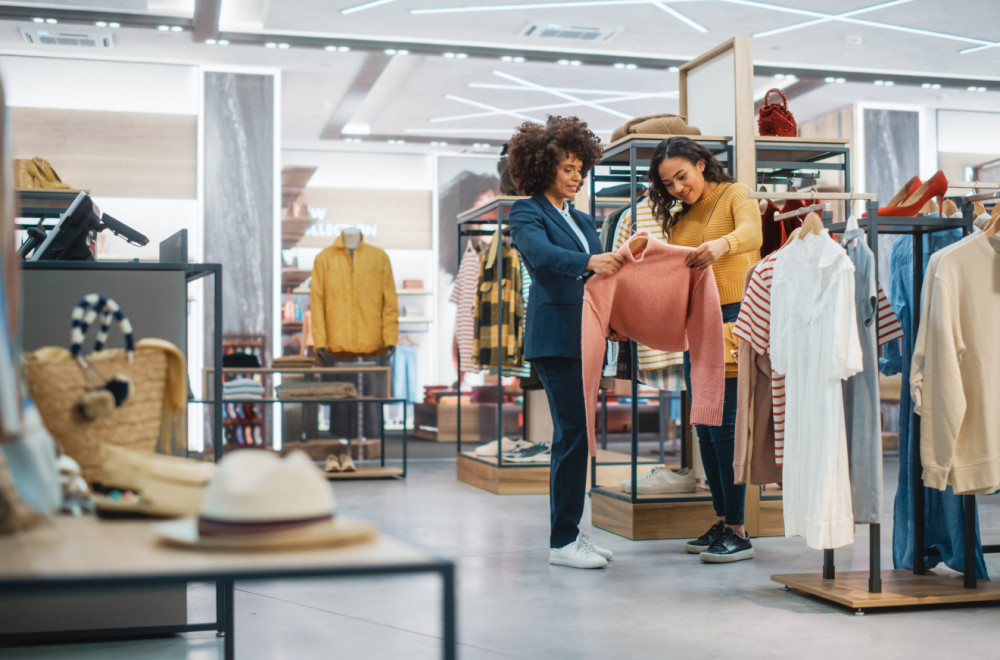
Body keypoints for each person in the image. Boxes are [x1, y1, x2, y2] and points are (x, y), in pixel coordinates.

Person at [507, 115, 624, 569]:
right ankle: (562, 541)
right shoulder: (527, 211)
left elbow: (598, 279)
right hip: (556, 337)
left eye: (580, 168)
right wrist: (591, 260)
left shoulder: (578, 217)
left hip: (588, 334)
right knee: (573, 434)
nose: (576, 177)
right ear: (542, 168)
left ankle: (573, 531)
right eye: (567, 168)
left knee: (580, 434)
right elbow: (541, 255)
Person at [646, 136, 762, 563]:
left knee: (726, 425)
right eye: (668, 183)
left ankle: (738, 529)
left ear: (700, 164)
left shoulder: (734, 194)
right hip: (697, 322)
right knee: (704, 425)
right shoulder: (679, 218)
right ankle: (722, 517)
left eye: (682, 176)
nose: (678, 188)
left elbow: (753, 234)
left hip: (732, 318)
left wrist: (721, 245)